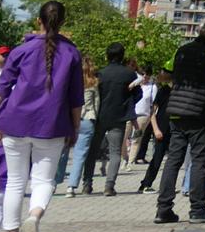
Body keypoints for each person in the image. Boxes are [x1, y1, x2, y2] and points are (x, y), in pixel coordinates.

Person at [0, 0, 85, 232]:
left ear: (38, 20)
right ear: (62, 22)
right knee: (44, 181)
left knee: (15, 183)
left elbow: (1, 89)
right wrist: (75, 127)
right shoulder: (72, 54)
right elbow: (75, 99)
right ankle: (34, 216)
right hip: (52, 126)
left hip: (15, 123)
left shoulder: (20, 51)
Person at [154, 20, 205, 224]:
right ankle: (197, 209)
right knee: (199, 160)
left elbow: (163, 75)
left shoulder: (181, 51)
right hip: (199, 112)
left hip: (177, 111)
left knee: (173, 160)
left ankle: (163, 209)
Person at [87, 43, 140, 196]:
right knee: (115, 152)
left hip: (99, 116)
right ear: (122, 56)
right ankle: (109, 185)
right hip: (119, 116)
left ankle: (87, 183)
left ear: (107, 56)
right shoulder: (129, 74)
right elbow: (137, 94)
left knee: (93, 150)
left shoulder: (100, 74)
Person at [63, 57, 99, 196]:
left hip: (69, 120)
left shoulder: (69, 84)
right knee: (80, 155)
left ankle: (54, 181)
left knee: (62, 153)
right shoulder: (94, 85)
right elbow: (96, 106)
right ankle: (71, 187)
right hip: (87, 120)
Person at [137, 80, 173, 192]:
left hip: (175, 129)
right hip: (161, 128)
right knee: (157, 158)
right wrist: (156, 129)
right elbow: (152, 112)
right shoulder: (164, 90)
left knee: (173, 160)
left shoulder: (181, 90)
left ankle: (168, 186)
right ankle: (146, 183)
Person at [128, 70, 157, 164]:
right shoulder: (134, 85)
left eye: (147, 75)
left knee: (136, 138)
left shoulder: (152, 87)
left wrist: (152, 117)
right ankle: (124, 157)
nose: (145, 76)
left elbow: (154, 104)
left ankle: (130, 161)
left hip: (143, 115)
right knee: (124, 136)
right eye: (142, 74)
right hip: (130, 113)